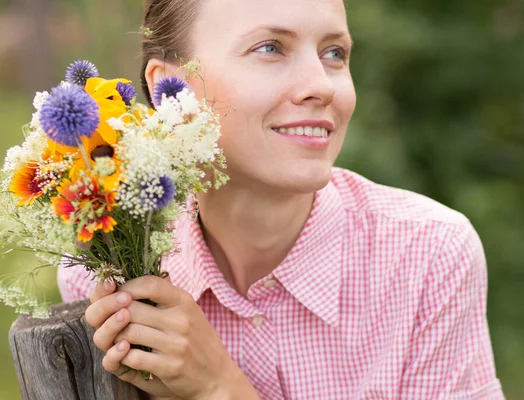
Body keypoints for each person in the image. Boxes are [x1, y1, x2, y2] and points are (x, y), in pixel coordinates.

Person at [58, 0, 505, 398]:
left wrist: (220, 387)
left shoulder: (428, 257)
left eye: (335, 53)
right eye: (270, 47)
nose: (322, 85)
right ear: (169, 90)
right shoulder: (107, 269)